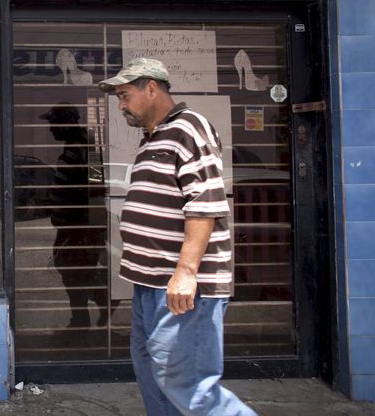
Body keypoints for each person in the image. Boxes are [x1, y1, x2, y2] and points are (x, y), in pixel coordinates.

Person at [97, 58, 258, 416]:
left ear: (151, 88)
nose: (121, 105)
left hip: (181, 289)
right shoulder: (155, 137)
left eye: (125, 95)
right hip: (150, 284)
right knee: (154, 374)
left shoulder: (188, 128)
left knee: (189, 385)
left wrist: (186, 272)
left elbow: (205, 204)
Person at [40, 103, 108, 329]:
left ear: (63, 124)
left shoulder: (83, 148)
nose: (50, 129)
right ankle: (84, 313)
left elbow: (96, 188)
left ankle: (98, 301)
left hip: (80, 226)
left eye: (53, 124)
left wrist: (88, 226)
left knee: (74, 270)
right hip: (74, 225)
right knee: (71, 269)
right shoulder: (78, 146)